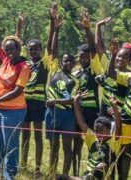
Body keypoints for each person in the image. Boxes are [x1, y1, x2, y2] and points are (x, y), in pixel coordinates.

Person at [0, 9, 31, 180]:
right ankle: (0, 173)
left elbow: (17, 91)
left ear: (19, 49)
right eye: (6, 49)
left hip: (13, 111)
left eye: (11, 48)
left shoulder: (24, 67)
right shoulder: (5, 59)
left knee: (10, 144)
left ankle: (10, 175)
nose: (8, 51)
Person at [21, 3, 58, 175]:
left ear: (40, 50)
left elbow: (50, 44)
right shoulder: (25, 64)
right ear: (27, 51)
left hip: (38, 104)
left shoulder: (43, 64)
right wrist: (19, 27)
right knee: (25, 136)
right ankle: (22, 164)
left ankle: (37, 168)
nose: (33, 51)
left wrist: (52, 22)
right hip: (24, 103)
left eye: (36, 49)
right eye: (30, 49)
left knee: (37, 136)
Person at [45, 12, 79, 176]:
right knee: (53, 146)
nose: (67, 63)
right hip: (52, 114)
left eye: (70, 61)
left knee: (67, 147)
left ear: (74, 63)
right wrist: (56, 30)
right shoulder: (54, 71)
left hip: (67, 116)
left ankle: (65, 175)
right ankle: (52, 173)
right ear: (61, 62)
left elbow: (72, 101)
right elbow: (53, 49)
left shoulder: (75, 80)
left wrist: (55, 100)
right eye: (65, 60)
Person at [72, 12, 104, 176]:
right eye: (80, 57)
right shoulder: (76, 73)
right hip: (78, 112)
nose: (82, 59)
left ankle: (94, 170)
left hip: (92, 113)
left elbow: (93, 49)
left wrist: (87, 29)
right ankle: (76, 171)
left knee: (93, 144)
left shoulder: (94, 70)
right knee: (76, 144)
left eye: (85, 57)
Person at [107, 50, 131, 180]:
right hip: (124, 122)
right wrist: (113, 54)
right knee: (125, 155)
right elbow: (111, 73)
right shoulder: (130, 77)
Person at [74, 94, 122, 180]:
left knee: (101, 166)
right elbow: (80, 121)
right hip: (86, 176)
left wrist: (114, 107)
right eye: (96, 131)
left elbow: (118, 128)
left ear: (108, 131)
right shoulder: (92, 139)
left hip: (104, 177)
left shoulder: (113, 142)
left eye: (101, 131)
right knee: (62, 177)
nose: (97, 134)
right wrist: (76, 102)